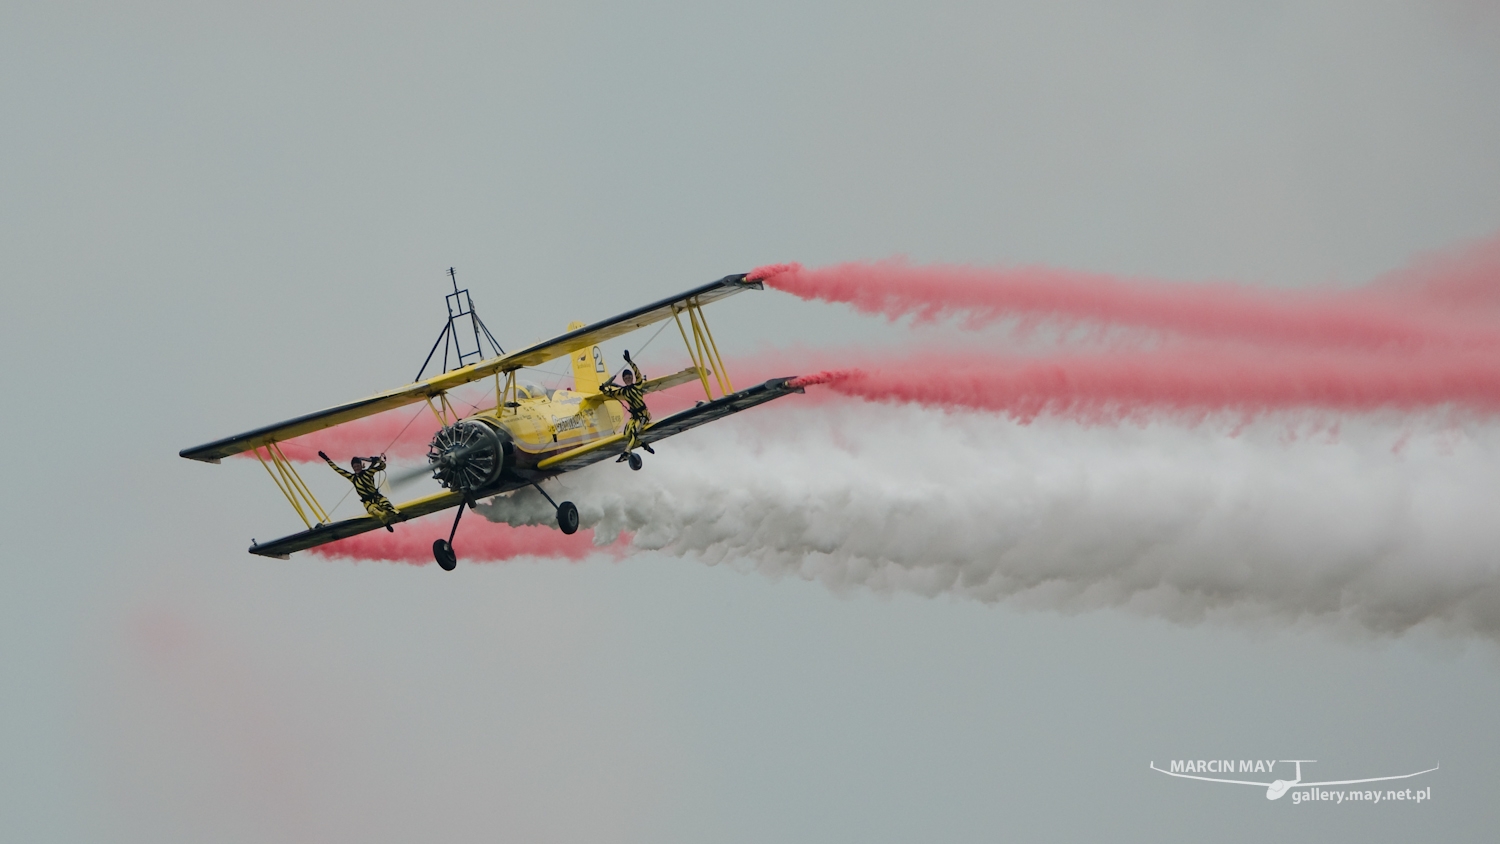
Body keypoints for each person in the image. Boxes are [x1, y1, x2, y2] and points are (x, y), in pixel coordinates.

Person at [319, 451, 398, 531]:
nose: (356, 468)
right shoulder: (352, 477)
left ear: (361, 466)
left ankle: (400, 516)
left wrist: (378, 460)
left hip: (378, 497)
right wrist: (326, 459)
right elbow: (337, 469)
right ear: (353, 468)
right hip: (368, 503)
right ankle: (387, 524)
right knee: (381, 514)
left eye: (357, 466)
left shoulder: (368, 472)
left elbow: (383, 466)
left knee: (391, 509)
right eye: (354, 467)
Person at [599, 349, 655, 461]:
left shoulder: (638, 385)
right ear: (624, 380)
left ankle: (626, 453)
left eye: (629, 377)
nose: (628, 378)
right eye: (626, 377)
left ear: (632, 378)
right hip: (634, 417)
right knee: (626, 434)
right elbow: (610, 394)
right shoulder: (623, 391)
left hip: (643, 415)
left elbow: (637, 373)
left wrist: (630, 361)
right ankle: (644, 445)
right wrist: (602, 388)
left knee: (634, 432)